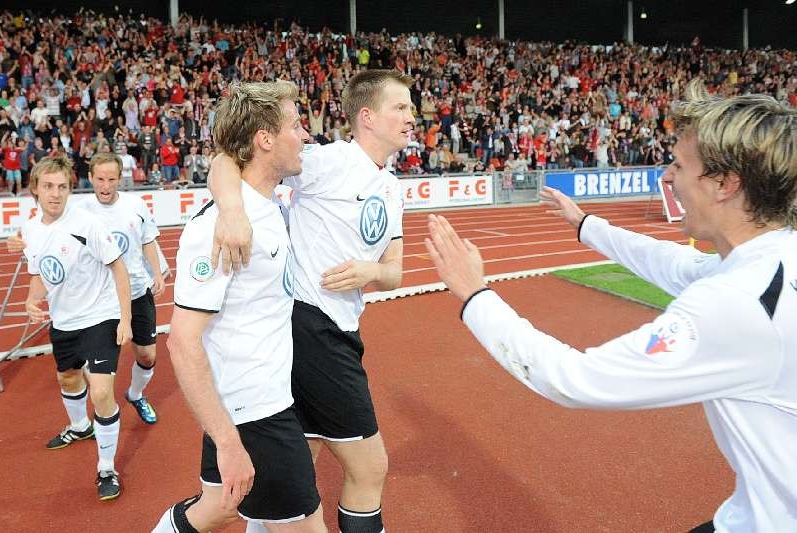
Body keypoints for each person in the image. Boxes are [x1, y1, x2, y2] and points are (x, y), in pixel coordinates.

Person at [424, 83, 797, 532]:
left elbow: (574, 379)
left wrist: (475, 295)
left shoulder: (735, 303)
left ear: (725, 184)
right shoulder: (772, 259)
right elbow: (673, 263)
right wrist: (585, 224)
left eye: (680, 165)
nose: (668, 178)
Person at [209, 69, 414, 533]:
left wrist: (371, 271)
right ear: (367, 116)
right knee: (370, 467)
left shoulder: (392, 187)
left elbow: (395, 271)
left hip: (341, 329)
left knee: (294, 465)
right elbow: (226, 159)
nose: (410, 117)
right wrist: (232, 210)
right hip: (310, 327)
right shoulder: (333, 161)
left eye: (410, 108)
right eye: (400, 107)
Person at [152, 80, 325, 533]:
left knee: (219, 509)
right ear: (265, 139)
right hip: (255, 415)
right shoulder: (217, 229)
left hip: (258, 403)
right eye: (295, 125)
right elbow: (182, 341)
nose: (305, 135)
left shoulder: (266, 206)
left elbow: (224, 161)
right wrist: (228, 442)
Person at [8, 152, 165, 424]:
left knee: (147, 354)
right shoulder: (80, 210)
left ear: (120, 179)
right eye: (100, 179)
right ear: (90, 178)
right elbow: (46, 234)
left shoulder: (136, 205)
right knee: (95, 380)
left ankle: (136, 394)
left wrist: (158, 271)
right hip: (101, 299)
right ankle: (92, 413)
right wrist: (20, 239)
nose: (106, 185)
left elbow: (147, 239)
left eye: (112, 179)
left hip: (136, 289)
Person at [20, 155, 132, 501]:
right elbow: (40, 274)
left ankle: (106, 467)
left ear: (70, 189)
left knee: (101, 393)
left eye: (62, 187)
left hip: (100, 316)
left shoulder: (87, 224)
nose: (56, 194)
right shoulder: (31, 229)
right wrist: (31, 300)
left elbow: (118, 267)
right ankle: (80, 427)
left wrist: (125, 318)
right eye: (48, 186)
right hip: (64, 321)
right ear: (35, 189)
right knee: (68, 379)